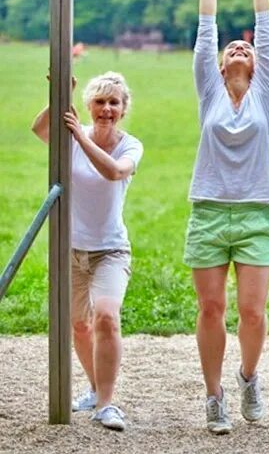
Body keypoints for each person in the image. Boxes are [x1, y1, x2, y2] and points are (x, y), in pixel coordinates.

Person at [184, 0, 269, 434]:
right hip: (208, 211)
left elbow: (265, 32)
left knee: (253, 312)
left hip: (255, 213)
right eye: (232, 49)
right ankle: (213, 396)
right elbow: (206, 36)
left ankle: (247, 377)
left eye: (246, 48)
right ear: (220, 68)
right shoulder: (210, 92)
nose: (239, 49)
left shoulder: (265, 92)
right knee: (212, 308)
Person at [31, 72, 144, 432]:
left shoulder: (130, 146)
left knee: (106, 317)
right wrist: (60, 92)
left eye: (114, 103)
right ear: (88, 106)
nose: (106, 109)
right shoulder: (70, 138)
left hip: (110, 250)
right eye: (100, 102)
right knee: (78, 325)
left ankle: (108, 405)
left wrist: (80, 135)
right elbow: (40, 129)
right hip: (71, 249)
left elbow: (114, 172)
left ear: (124, 109)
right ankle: (95, 390)